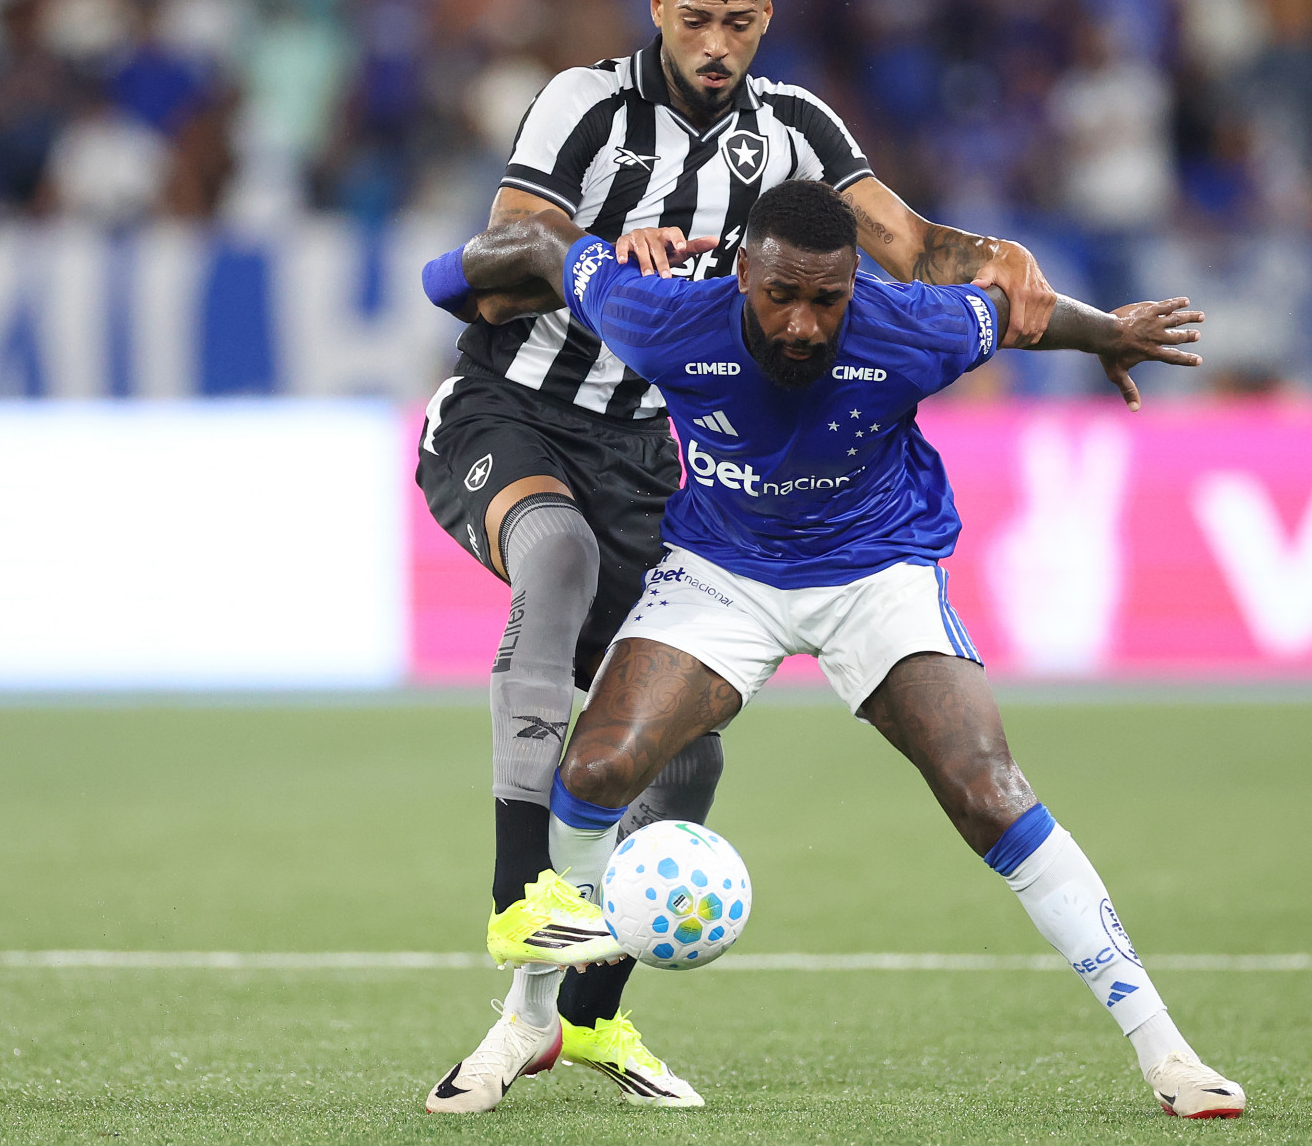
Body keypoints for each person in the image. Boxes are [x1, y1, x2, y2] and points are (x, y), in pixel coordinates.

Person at [416, 0, 1062, 1112]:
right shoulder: (582, 103)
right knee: (551, 559)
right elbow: (511, 247)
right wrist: (601, 242)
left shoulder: (797, 129)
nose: (718, 43)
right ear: (657, 5)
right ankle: (519, 891)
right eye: (697, 18)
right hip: (512, 409)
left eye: (742, 22)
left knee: (685, 748)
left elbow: (914, 248)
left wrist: (997, 251)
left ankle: (589, 1025)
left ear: (768, 19)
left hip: (649, 452)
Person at [432, 178, 1247, 1120]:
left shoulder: (909, 325)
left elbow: (1018, 319)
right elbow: (543, 251)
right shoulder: (654, 313)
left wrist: (1109, 333)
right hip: (724, 572)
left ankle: (1167, 1053)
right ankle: (535, 1019)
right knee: (600, 765)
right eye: (783, 294)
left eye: (829, 298)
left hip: (875, 571)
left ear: (857, 283)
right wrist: (447, 274)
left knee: (989, 791)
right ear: (742, 274)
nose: (806, 325)